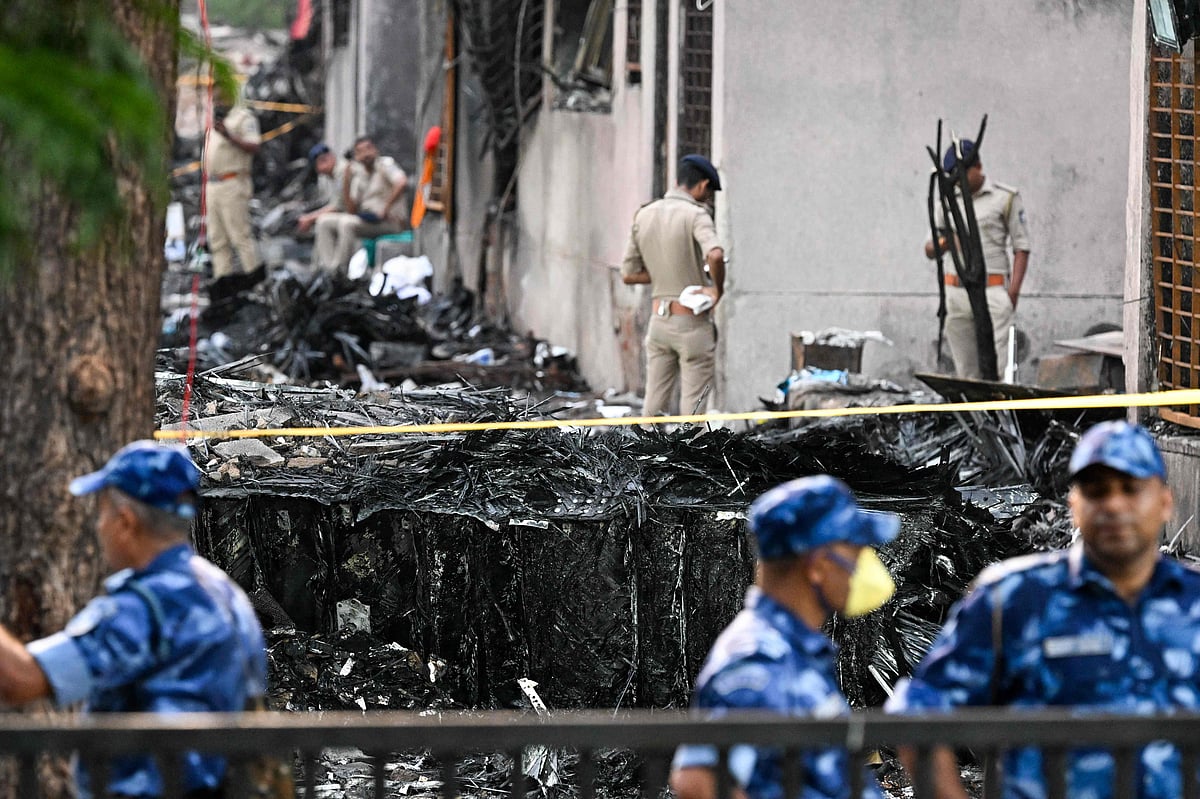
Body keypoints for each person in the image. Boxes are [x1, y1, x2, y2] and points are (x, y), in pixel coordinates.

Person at [887, 420, 1199, 799]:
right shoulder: (1015, 599)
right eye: (1097, 490)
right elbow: (917, 712)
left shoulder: (1193, 603)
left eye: (1131, 489)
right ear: (1074, 504)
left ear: (1166, 501)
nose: (1115, 504)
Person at [0, 441, 268, 798]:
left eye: (102, 514)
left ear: (125, 522)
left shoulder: (143, 608)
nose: (98, 527)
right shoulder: (225, 592)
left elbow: (20, 681)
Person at [670, 475, 898, 799]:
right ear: (818, 565)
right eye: (856, 550)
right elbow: (699, 783)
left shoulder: (794, 649)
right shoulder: (759, 659)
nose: (864, 563)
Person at [621, 154, 726, 416]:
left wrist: (661, 273)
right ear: (702, 185)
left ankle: (645, 456)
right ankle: (691, 456)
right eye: (708, 191)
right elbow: (714, 254)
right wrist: (717, 290)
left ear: (678, 181)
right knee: (693, 407)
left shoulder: (644, 215)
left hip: (659, 322)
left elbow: (628, 273)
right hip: (691, 323)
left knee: (654, 403)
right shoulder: (696, 215)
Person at [923, 140, 1031, 380]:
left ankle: (999, 416)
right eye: (953, 175)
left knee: (999, 371)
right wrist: (948, 241)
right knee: (967, 374)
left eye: (962, 173)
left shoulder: (1005, 198)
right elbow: (930, 249)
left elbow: (1021, 247)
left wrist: (1011, 294)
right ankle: (975, 417)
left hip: (992, 291)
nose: (957, 180)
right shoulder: (949, 203)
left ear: (978, 166)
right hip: (957, 294)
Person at [313, 135, 409, 273]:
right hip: (369, 221)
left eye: (368, 149)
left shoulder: (385, 165)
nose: (366, 154)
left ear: (375, 150)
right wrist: (347, 179)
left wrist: (386, 208)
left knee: (347, 223)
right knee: (323, 222)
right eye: (360, 151)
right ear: (356, 156)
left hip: (391, 222)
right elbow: (352, 209)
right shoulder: (360, 175)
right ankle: (329, 270)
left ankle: (339, 271)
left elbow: (402, 182)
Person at [203, 86, 262, 279]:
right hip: (212, 185)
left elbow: (254, 146)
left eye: (221, 98)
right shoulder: (217, 120)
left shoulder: (243, 118)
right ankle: (223, 281)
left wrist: (229, 136)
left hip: (232, 183)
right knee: (217, 240)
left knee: (240, 237)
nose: (218, 102)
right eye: (215, 99)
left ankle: (255, 280)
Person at [297, 142, 349, 235]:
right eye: (320, 161)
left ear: (332, 156)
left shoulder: (342, 170)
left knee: (323, 222)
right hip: (351, 213)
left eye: (325, 159)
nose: (324, 164)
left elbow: (338, 206)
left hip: (359, 213)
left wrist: (310, 218)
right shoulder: (335, 174)